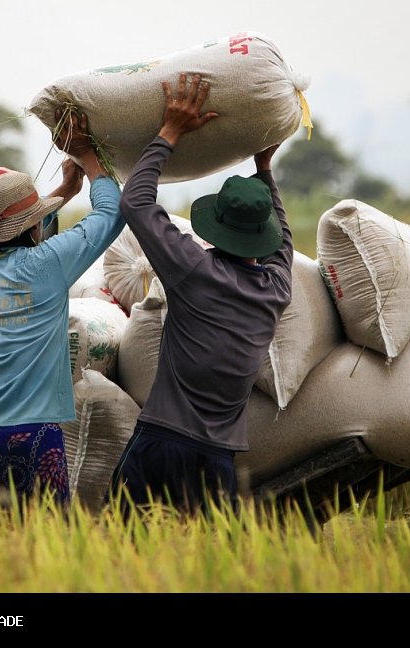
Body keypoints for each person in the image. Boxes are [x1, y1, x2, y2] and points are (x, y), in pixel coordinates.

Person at [108, 72, 294, 515]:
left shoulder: (193, 268)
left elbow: (135, 202)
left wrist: (170, 131)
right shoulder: (276, 290)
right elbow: (285, 242)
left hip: (161, 443)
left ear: (214, 229)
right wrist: (265, 169)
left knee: (119, 559)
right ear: (260, 239)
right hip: (218, 461)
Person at [0, 110, 122, 507]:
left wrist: (64, 191)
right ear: (34, 227)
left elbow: (18, 231)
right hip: (33, 435)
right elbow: (110, 214)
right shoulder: (48, 264)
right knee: (45, 549)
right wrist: (88, 157)